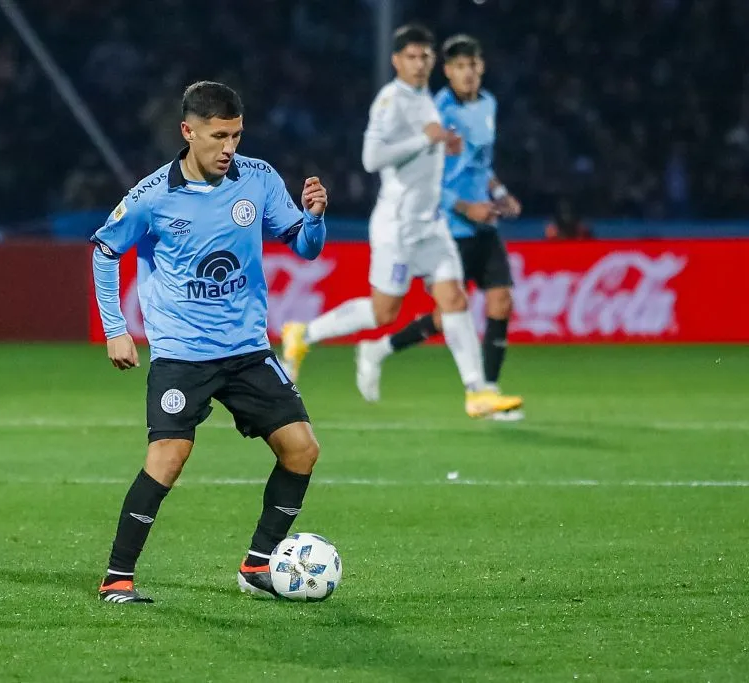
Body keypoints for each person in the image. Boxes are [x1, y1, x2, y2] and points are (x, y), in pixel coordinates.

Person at [90, 81, 329, 604]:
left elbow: (305, 247)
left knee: (302, 449)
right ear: (188, 131)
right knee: (169, 457)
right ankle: (117, 578)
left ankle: (258, 563)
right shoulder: (152, 195)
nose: (229, 148)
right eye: (219, 136)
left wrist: (314, 219)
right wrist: (115, 329)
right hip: (182, 353)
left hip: (246, 350)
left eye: (236, 136)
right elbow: (105, 252)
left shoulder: (258, 178)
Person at [280, 24, 521, 418]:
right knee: (384, 313)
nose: (419, 64)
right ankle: (304, 334)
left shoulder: (423, 98)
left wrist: (443, 145)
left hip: (431, 223)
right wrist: (427, 140)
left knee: (454, 299)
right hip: (398, 226)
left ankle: (477, 392)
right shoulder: (391, 101)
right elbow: (371, 158)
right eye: (411, 57)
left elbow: (430, 150)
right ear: (396, 61)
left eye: (425, 56)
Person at [357, 34, 525, 419]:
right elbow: (430, 179)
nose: (467, 73)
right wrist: (466, 208)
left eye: (473, 65)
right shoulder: (437, 111)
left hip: (484, 220)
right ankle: (381, 348)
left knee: (501, 300)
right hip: (450, 225)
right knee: (446, 313)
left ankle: (488, 390)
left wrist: (500, 192)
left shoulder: (489, 104)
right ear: (447, 71)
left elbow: (481, 163)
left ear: (481, 67)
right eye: (459, 67)